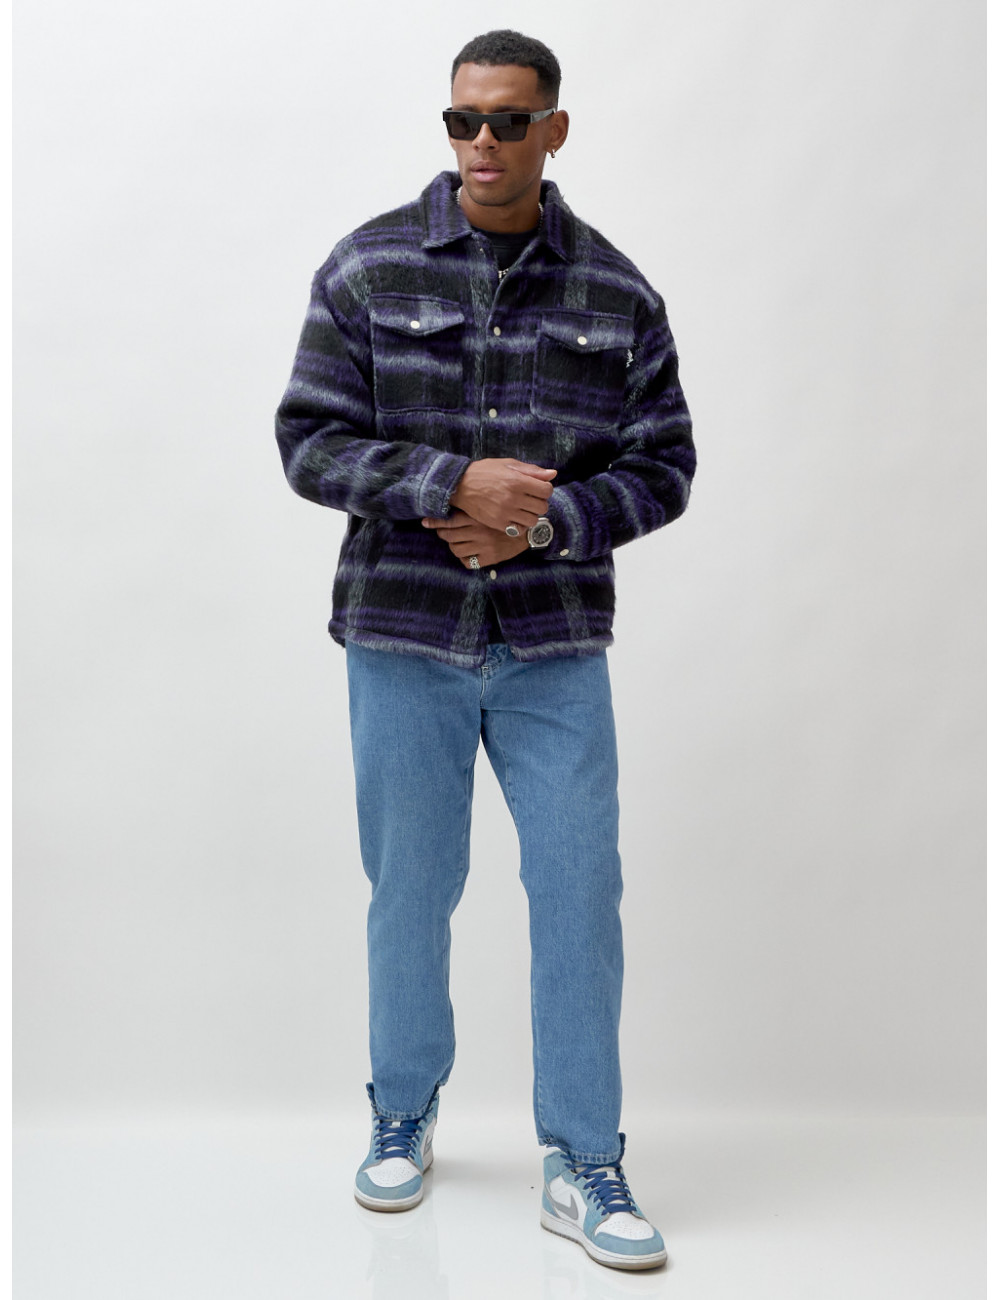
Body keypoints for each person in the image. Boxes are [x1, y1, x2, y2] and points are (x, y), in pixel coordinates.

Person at [275, 29, 694, 1272]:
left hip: (554, 644)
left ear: (553, 129)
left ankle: (584, 1157)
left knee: (578, 891)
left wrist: (546, 521)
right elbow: (308, 442)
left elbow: (665, 464)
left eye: (509, 121)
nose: (482, 144)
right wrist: (450, 483)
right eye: (463, 120)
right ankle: (401, 1110)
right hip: (403, 634)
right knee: (410, 888)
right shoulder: (368, 267)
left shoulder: (615, 291)